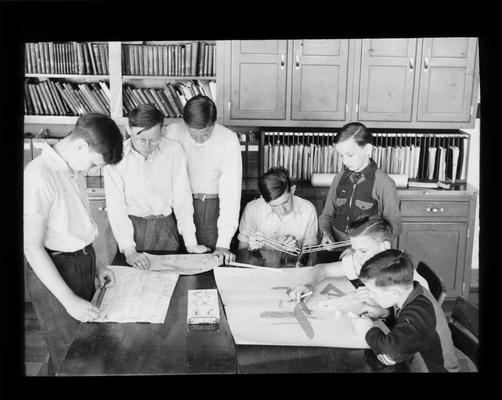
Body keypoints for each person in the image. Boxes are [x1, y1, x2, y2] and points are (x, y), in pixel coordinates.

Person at [23, 113, 124, 374]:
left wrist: (99, 264)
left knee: (82, 346)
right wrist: (68, 300)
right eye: (92, 164)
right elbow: (31, 247)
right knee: (70, 356)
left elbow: (81, 226)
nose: (90, 171)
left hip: (81, 261)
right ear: (80, 145)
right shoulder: (38, 175)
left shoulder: (71, 167)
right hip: (56, 270)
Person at [103, 104, 209, 269]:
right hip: (131, 230)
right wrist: (129, 251)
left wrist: (190, 242)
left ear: (162, 131)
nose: (147, 146)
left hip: (165, 227)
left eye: (153, 140)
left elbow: (182, 199)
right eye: (141, 140)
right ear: (129, 129)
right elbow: (116, 208)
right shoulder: (115, 158)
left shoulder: (174, 151)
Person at [352, 249, 459, 372]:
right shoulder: (412, 292)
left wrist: (367, 331)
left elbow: (389, 356)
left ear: (394, 292)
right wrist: (384, 312)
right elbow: (404, 317)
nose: (370, 296)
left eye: (373, 292)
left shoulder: (419, 313)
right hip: (417, 360)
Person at [165, 95, 242, 265]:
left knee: (211, 265)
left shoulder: (228, 139)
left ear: (214, 124)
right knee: (175, 264)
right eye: (193, 134)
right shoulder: (172, 132)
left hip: (211, 209)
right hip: (176, 207)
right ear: (185, 124)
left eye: (205, 135)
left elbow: (231, 193)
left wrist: (223, 243)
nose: (198, 140)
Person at [288, 216, 429, 302]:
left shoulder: (402, 273)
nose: (357, 256)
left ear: (384, 246)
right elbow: (322, 269)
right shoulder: (361, 259)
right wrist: (309, 284)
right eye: (354, 250)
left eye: (363, 250)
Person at [318, 122, 401, 248]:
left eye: (350, 154)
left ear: (367, 149)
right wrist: (326, 234)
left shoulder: (384, 183)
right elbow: (326, 216)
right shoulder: (338, 179)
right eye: (341, 155)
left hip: (364, 253)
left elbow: (394, 226)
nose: (345, 161)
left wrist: (364, 248)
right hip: (336, 249)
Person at [238, 167, 318, 252]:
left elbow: (311, 255)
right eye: (275, 206)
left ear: (292, 190)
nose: (282, 210)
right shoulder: (252, 209)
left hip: (294, 265)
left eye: (285, 202)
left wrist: (297, 248)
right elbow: (241, 251)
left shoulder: (308, 210)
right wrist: (251, 248)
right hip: (260, 264)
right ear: (264, 199)